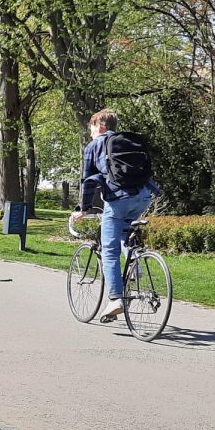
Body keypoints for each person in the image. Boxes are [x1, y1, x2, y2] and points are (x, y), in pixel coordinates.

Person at [78, 109, 158, 322]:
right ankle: (137, 266)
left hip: (118, 200)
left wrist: (83, 208)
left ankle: (115, 299)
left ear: (100, 126)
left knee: (110, 250)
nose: (91, 133)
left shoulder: (94, 146)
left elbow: (88, 181)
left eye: (92, 128)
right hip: (143, 197)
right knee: (124, 233)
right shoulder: (127, 143)